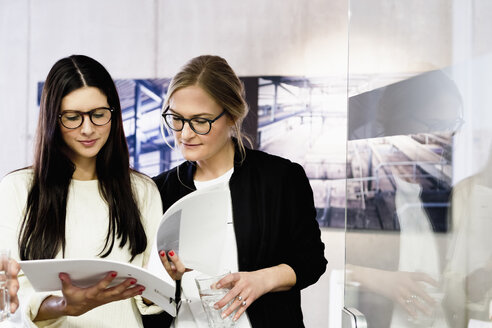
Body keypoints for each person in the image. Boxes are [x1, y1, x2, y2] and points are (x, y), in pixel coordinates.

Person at [148, 55, 327, 328]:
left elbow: (311, 261)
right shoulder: (158, 190)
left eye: (200, 121)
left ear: (232, 114)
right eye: (177, 119)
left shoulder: (280, 178)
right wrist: (164, 278)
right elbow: (149, 294)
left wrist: (262, 280)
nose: (185, 134)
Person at [0, 55, 163, 327]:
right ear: (53, 119)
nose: (88, 129)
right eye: (73, 118)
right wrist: (64, 306)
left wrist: (165, 282)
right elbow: (12, 297)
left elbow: (152, 297)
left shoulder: (142, 191)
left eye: (99, 115)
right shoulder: (18, 188)